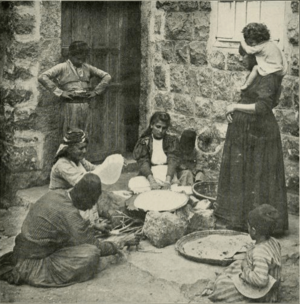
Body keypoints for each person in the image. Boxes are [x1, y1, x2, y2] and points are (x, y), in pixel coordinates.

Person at [0, 174, 139, 287]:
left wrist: (92, 226)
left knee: (81, 243)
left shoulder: (58, 194)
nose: (91, 206)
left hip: (27, 249)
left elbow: (64, 226)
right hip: (33, 261)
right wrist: (121, 242)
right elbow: (95, 245)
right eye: (92, 202)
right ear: (83, 197)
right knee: (91, 254)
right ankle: (29, 273)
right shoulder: (69, 214)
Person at [214, 45, 288, 234]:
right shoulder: (257, 73)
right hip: (245, 132)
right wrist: (234, 112)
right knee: (244, 175)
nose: (241, 59)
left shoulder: (269, 78)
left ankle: (260, 226)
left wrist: (234, 107)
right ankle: (243, 222)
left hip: (260, 133)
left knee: (257, 176)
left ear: (256, 56)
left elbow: (262, 107)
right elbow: (246, 99)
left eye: (245, 55)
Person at [202, 204, 281, 303]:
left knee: (223, 284)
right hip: (267, 279)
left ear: (254, 230)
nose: (248, 230)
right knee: (236, 264)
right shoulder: (274, 241)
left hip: (262, 293)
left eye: (248, 227)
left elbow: (261, 280)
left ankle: (217, 286)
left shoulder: (259, 253)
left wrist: (246, 270)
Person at [38, 41, 111, 136]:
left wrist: (96, 92)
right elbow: (42, 77)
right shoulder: (62, 67)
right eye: (78, 59)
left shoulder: (87, 67)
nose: (81, 61)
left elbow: (107, 76)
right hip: (69, 106)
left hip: (85, 105)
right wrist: (60, 92)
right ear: (70, 56)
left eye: (83, 59)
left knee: (84, 134)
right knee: (70, 135)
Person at [131, 111, 181, 191]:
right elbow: (144, 161)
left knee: (174, 189)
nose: (161, 130)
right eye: (158, 126)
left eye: (164, 128)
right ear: (151, 125)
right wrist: (152, 181)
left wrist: (168, 181)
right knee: (133, 183)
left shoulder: (172, 141)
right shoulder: (145, 141)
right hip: (151, 173)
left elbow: (172, 160)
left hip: (167, 174)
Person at [240, 23, 287, 91]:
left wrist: (242, 42)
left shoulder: (260, 46)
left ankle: (246, 85)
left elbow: (248, 50)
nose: (251, 45)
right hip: (279, 68)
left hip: (274, 69)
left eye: (252, 42)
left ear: (260, 39)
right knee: (257, 69)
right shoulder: (269, 43)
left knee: (256, 69)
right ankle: (247, 86)